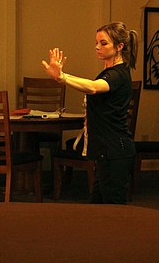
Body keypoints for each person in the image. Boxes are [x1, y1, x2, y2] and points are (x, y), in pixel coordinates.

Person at [42, 22, 139, 205]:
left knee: (113, 209)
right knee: (98, 206)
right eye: (96, 42)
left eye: (103, 43)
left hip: (115, 150)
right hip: (106, 150)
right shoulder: (108, 71)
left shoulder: (118, 74)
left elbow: (93, 88)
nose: (97, 47)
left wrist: (62, 77)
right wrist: (60, 77)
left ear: (119, 47)